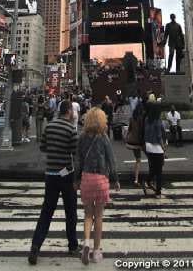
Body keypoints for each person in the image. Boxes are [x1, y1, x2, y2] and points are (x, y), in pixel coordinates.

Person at [28, 100, 79, 266]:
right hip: (66, 173)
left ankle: (35, 246)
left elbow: (43, 147)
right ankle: (72, 246)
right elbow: (74, 151)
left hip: (50, 174)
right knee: (70, 211)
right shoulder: (71, 129)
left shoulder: (49, 126)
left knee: (46, 212)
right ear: (69, 111)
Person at [75, 107, 119, 265]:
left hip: (86, 178)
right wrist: (115, 179)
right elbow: (111, 160)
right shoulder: (103, 137)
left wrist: (76, 180)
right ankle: (96, 250)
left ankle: (86, 243)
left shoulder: (82, 138)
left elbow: (78, 160)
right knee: (99, 216)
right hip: (101, 179)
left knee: (87, 215)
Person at [142, 101, 167, 198]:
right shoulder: (158, 120)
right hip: (157, 147)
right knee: (159, 171)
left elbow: (145, 133)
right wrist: (164, 148)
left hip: (148, 146)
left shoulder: (147, 119)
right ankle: (158, 192)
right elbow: (159, 136)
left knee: (153, 168)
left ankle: (148, 181)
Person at [125, 101, 145, 186]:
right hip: (140, 142)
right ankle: (151, 179)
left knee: (138, 160)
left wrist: (126, 138)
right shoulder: (142, 118)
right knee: (151, 158)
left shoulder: (132, 118)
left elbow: (129, 130)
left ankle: (136, 180)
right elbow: (143, 131)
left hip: (132, 141)